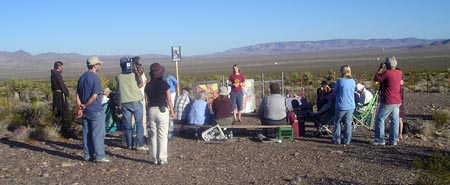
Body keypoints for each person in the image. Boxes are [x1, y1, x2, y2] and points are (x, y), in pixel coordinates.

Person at [76, 56, 110, 163]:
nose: (99, 66)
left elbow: (77, 94)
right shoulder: (95, 78)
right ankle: (100, 156)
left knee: (86, 133)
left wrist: (80, 106)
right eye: (98, 64)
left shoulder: (82, 77)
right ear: (95, 65)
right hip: (95, 109)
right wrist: (85, 105)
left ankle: (87, 155)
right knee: (98, 133)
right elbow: (94, 96)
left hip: (85, 111)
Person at [145, 63, 175, 165]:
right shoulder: (164, 84)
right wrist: (172, 111)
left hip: (151, 110)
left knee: (153, 135)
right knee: (162, 135)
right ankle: (162, 158)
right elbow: (169, 99)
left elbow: (146, 101)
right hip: (162, 110)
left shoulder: (147, 86)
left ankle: (154, 158)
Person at [115, 57, 146, 150]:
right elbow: (140, 84)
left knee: (128, 125)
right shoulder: (133, 75)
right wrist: (137, 73)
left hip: (125, 102)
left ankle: (129, 144)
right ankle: (139, 144)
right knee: (139, 123)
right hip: (136, 101)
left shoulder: (118, 77)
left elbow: (118, 91)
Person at [372, 56, 403, 146]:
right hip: (397, 100)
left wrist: (380, 68)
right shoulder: (399, 72)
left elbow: (376, 79)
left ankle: (379, 139)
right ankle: (393, 140)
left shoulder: (387, 73)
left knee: (380, 118)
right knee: (394, 120)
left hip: (388, 100)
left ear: (387, 65)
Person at [332, 65, 356, 145]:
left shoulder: (340, 81)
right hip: (351, 105)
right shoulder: (353, 81)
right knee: (348, 123)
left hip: (341, 105)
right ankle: (347, 140)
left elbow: (335, 92)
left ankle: (336, 139)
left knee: (337, 122)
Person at [50, 61, 71, 137]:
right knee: (63, 112)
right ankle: (64, 130)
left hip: (56, 95)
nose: (62, 68)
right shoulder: (57, 75)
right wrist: (66, 92)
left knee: (57, 111)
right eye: (61, 66)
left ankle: (57, 128)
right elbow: (61, 85)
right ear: (58, 67)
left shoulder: (53, 75)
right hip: (60, 95)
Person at [132, 56, 148, 137]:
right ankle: (143, 132)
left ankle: (132, 133)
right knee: (141, 116)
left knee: (133, 116)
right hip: (139, 96)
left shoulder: (130, 73)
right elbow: (143, 83)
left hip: (134, 96)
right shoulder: (139, 71)